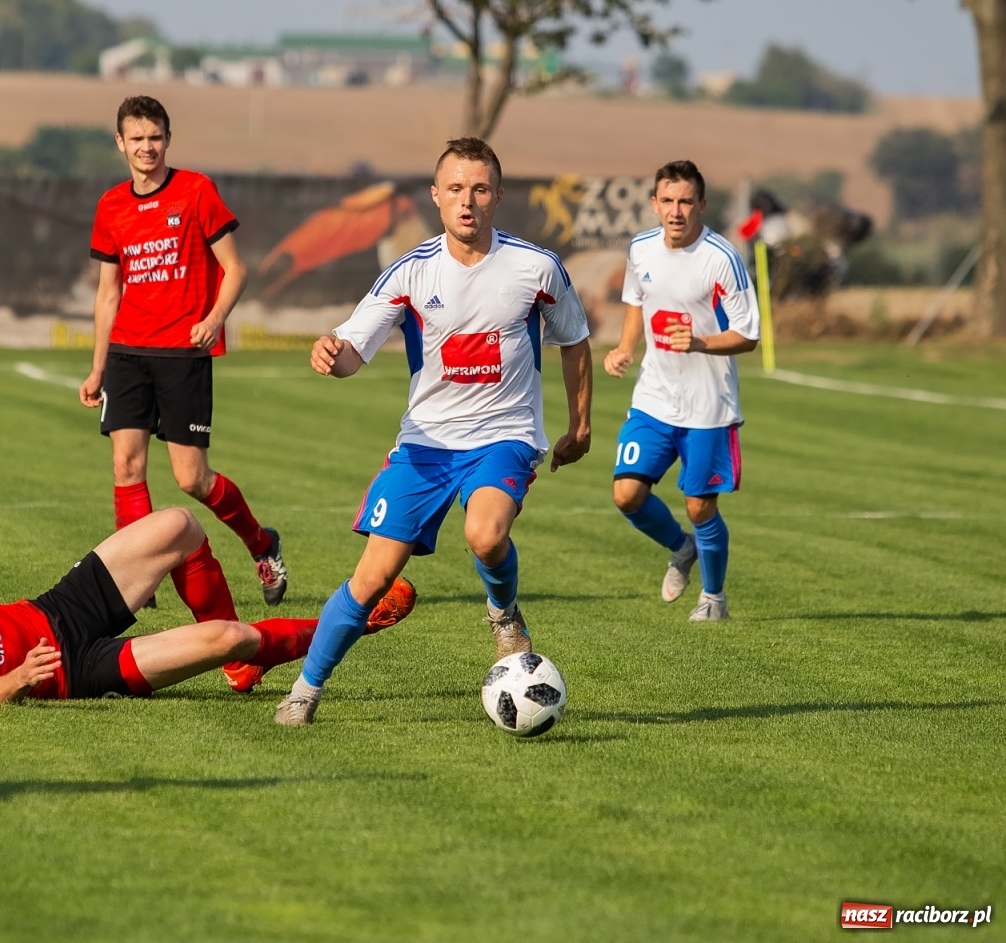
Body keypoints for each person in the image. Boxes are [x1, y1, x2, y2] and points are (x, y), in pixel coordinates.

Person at [274, 137, 593, 727]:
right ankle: (305, 690)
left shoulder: (536, 267)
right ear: (436, 197)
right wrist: (329, 352)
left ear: (497, 196)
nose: (466, 201)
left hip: (505, 434)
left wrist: (580, 426)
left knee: (485, 534)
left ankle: (504, 614)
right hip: (425, 445)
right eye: (455, 190)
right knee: (372, 578)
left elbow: (574, 338)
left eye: (478, 189)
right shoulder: (411, 272)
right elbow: (353, 349)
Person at [77, 95, 286, 692]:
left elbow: (236, 269)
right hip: (126, 354)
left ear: (168, 140)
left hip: (184, 353)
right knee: (125, 464)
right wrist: (96, 368)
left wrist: (216, 317)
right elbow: (107, 294)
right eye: (136, 139)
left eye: (156, 138)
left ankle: (260, 542)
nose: (147, 147)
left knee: (192, 479)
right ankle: (133, 579)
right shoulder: (111, 205)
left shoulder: (196, 191)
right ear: (119, 143)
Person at [0, 509, 415, 704]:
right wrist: (18, 677)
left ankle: (240, 664)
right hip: (77, 667)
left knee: (179, 525)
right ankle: (353, 619)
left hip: (54, 607)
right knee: (227, 638)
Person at [603, 161, 759, 621]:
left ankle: (713, 598)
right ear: (655, 204)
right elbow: (636, 302)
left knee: (699, 504)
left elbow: (749, 335)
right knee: (626, 494)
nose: (676, 211)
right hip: (654, 396)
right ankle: (680, 548)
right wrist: (625, 348)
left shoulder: (722, 258)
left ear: (701, 206)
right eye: (667, 201)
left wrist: (700, 342)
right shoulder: (641, 249)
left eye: (686, 201)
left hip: (708, 406)